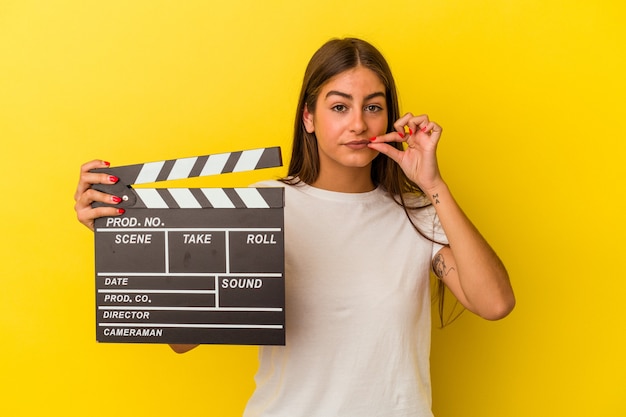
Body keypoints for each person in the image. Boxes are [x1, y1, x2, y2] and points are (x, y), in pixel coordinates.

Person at [74, 37, 515, 417]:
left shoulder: (417, 214)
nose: (358, 123)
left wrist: (432, 183)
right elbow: (184, 341)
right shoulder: (262, 206)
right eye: (339, 106)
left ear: (389, 119)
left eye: (373, 107)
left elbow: (494, 302)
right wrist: (124, 240)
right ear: (309, 117)